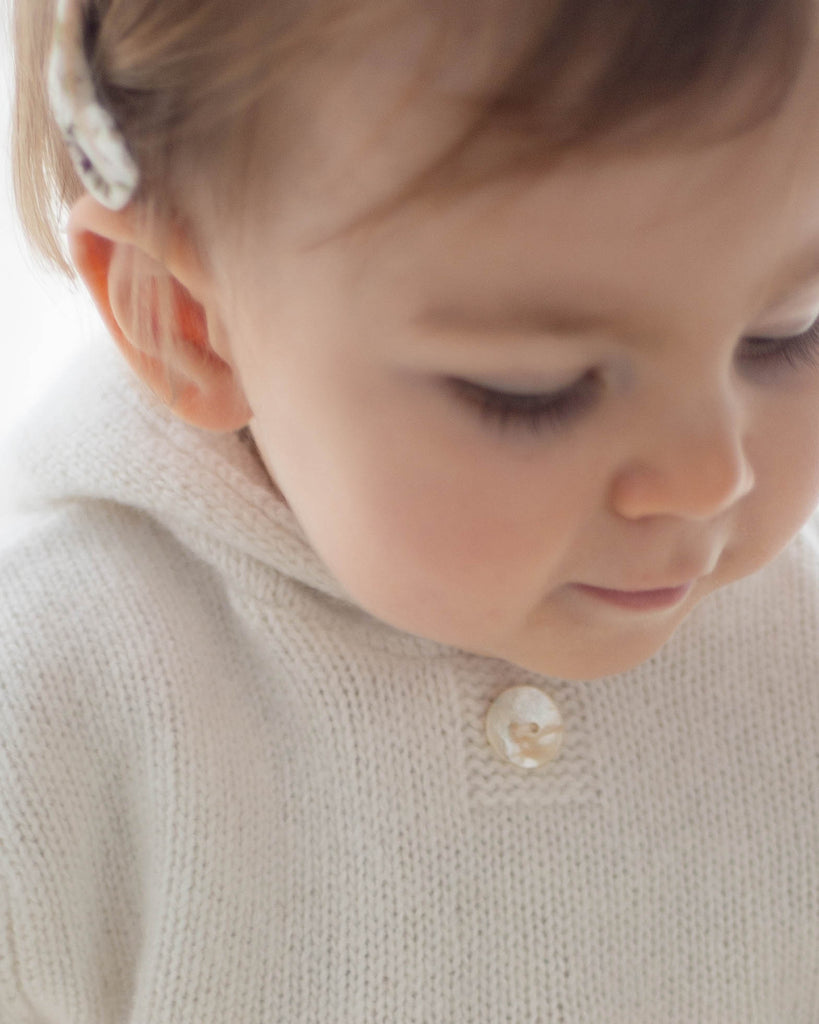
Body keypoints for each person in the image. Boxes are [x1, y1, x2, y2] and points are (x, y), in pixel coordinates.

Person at [2, 0, 819, 1017]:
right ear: (188, 322)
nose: (711, 477)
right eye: (532, 390)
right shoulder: (49, 721)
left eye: (787, 331)